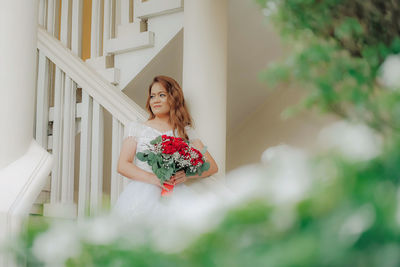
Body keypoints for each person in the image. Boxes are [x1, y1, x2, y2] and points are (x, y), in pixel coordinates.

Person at [112, 75, 220, 224]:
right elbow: (123, 165)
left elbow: (212, 167)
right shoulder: (137, 128)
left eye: (162, 95)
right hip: (142, 194)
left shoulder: (184, 131)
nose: (155, 100)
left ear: (173, 98)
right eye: (152, 96)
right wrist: (155, 179)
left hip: (176, 194)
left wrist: (186, 175)